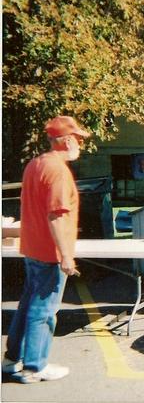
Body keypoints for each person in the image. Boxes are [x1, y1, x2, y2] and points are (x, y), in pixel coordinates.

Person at [2, 116, 89, 383]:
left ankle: (11, 360)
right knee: (44, 311)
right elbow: (56, 216)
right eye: (79, 139)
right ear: (67, 141)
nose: (80, 145)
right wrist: (66, 256)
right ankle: (34, 367)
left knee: (28, 305)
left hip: (32, 248)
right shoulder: (58, 171)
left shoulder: (35, 164)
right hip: (50, 254)